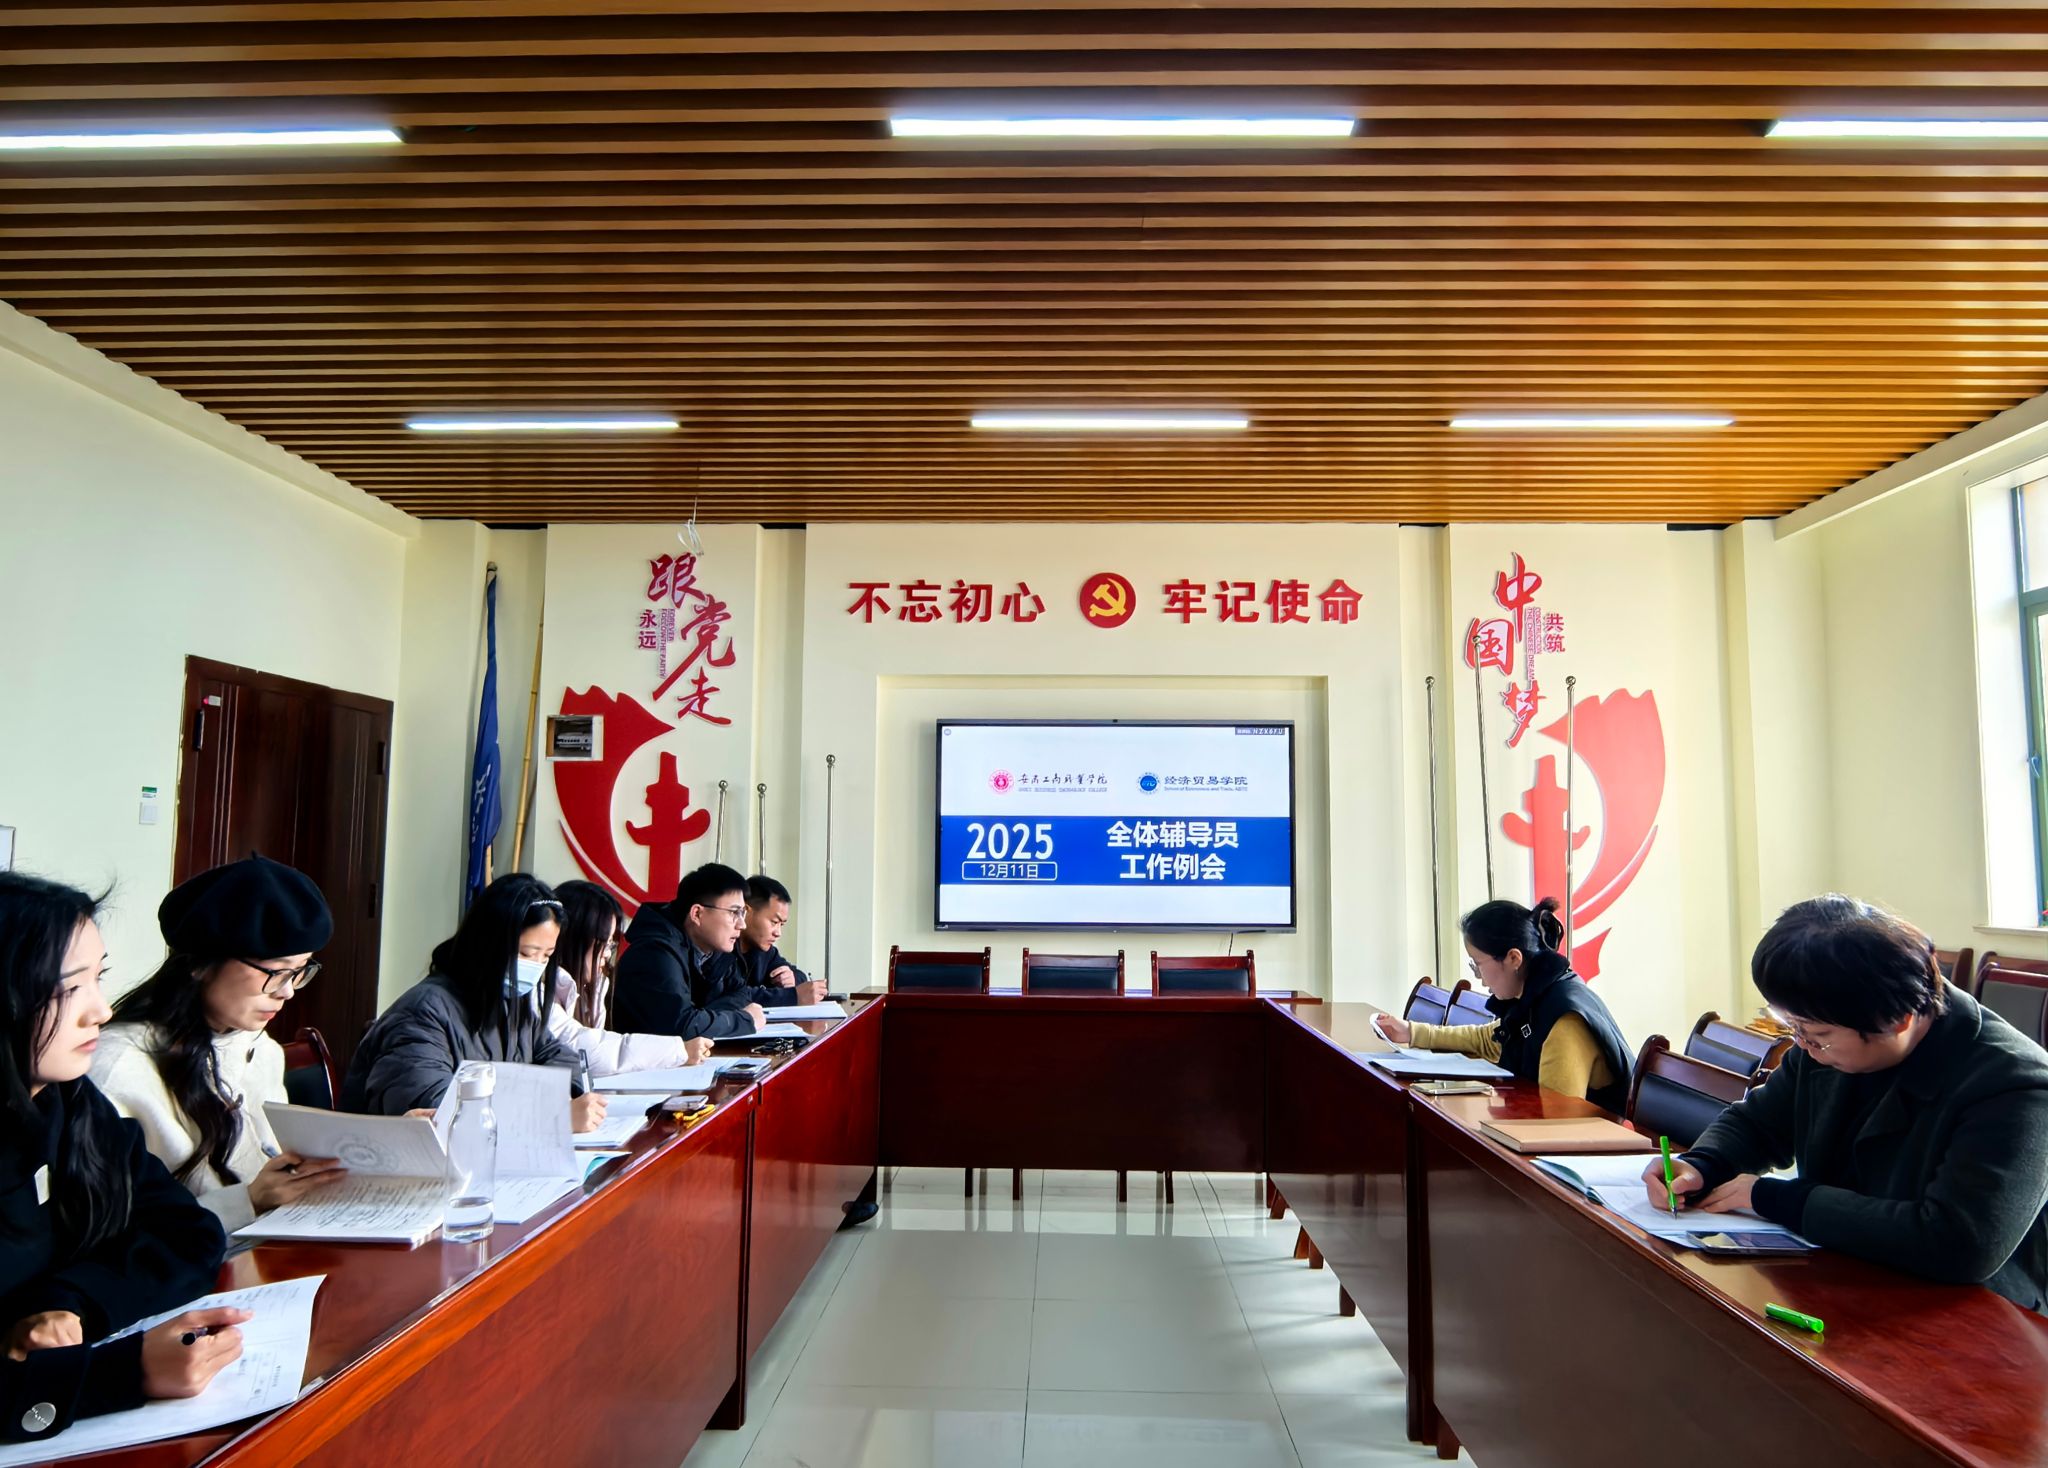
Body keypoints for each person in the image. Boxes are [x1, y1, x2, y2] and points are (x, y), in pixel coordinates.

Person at [1646, 896, 2048, 1312]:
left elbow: (1958, 1243)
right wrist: (1704, 1164)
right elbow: (1760, 1124)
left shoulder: (2018, 1087)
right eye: (1793, 1027)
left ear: (1898, 1019)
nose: (1802, 1045)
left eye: (1816, 1034)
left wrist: (1778, 1199)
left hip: (1973, 1318)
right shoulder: (1831, 1034)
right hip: (1848, 1278)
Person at [1, 872, 250, 1448]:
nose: (102, 1012)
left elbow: (188, 1232)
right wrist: (119, 1374)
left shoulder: (71, 1102)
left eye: (100, 979)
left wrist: (70, 1304)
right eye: (67, 990)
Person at [90, 855, 347, 1230]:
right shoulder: (118, 1067)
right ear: (200, 964)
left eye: (300, 971)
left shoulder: (263, 1051)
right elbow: (110, 1230)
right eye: (276, 973)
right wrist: (248, 1200)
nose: (288, 992)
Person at [341, 874, 607, 1133]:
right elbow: (436, 1116)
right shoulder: (423, 1013)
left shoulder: (511, 1004)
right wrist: (551, 1116)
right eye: (527, 953)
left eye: (546, 956)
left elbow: (561, 1058)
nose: (537, 966)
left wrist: (563, 1098)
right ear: (488, 944)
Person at [1373, 896, 1632, 1111]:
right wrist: (1410, 1032)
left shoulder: (1565, 1020)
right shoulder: (1535, 996)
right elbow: (1490, 1040)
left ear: (1513, 958)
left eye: (1478, 964)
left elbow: (1557, 1120)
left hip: (1589, 1148)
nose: (1478, 976)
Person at [546, 880, 713, 1076]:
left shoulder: (591, 986)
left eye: (611, 945)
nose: (607, 954)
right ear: (570, 940)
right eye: (602, 944)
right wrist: (678, 1051)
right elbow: (589, 1048)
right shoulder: (537, 990)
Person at [609, 863, 766, 1040]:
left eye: (742, 913)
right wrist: (743, 1021)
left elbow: (741, 993)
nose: (742, 924)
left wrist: (701, 1017)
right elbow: (681, 1027)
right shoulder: (655, 952)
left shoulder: (716, 948)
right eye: (734, 912)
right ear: (697, 914)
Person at [736, 875, 827, 1009]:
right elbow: (733, 996)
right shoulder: (722, 947)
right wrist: (792, 996)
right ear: (746, 912)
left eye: (781, 924)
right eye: (774, 922)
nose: (778, 933)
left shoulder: (765, 951)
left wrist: (791, 977)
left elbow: (798, 975)